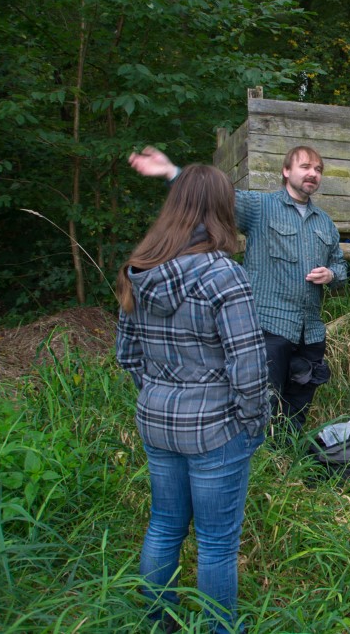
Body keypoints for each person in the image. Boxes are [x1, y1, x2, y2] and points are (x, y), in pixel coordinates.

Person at [115, 164, 270, 633]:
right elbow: (249, 369)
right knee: (217, 543)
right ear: (222, 210)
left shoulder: (139, 270)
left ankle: (157, 622)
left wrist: (161, 393)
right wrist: (253, 423)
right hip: (216, 430)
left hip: (157, 420)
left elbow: (128, 355)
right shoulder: (225, 276)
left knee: (164, 525)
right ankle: (221, 629)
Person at [129, 145, 348, 437]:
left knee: (299, 403)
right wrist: (172, 172)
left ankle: (288, 456)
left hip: (310, 333)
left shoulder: (325, 223)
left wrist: (331, 274)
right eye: (305, 167)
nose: (312, 174)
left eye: (318, 170)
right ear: (285, 171)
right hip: (269, 327)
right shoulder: (260, 207)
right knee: (264, 402)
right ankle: (264, 463)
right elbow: (214, 198)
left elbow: (341, 268)